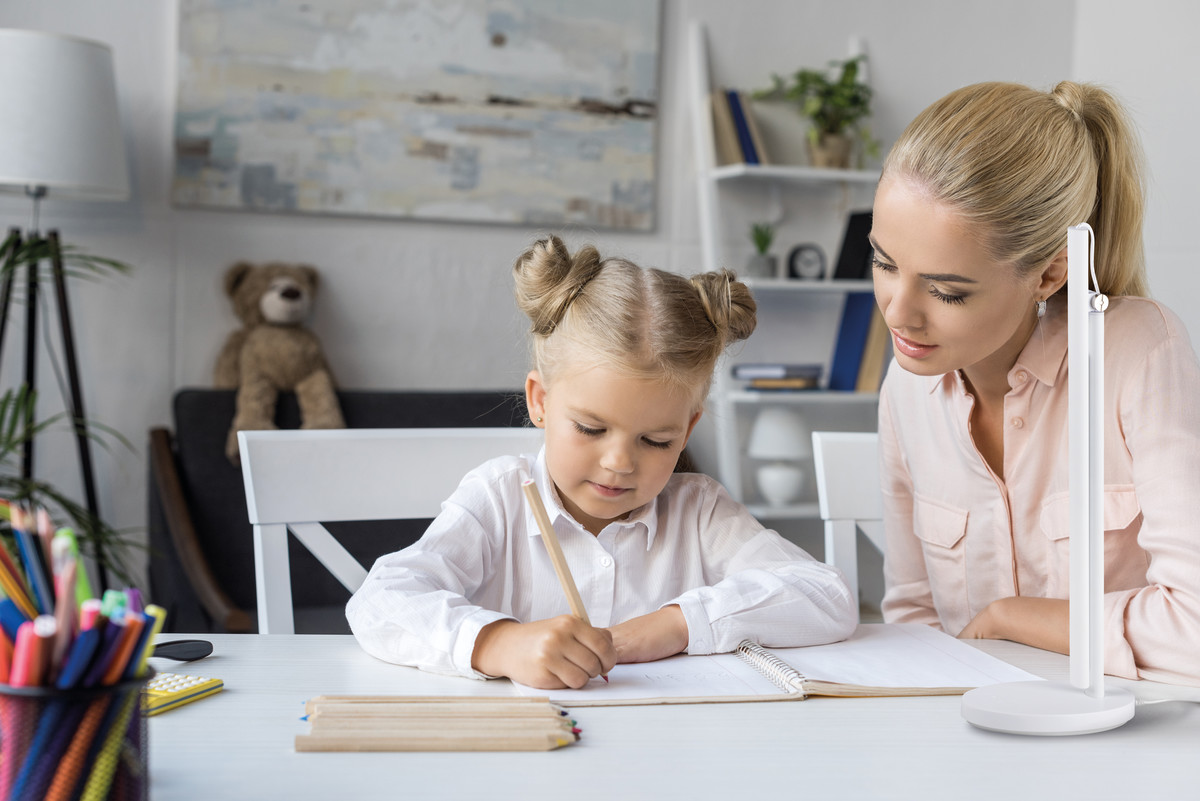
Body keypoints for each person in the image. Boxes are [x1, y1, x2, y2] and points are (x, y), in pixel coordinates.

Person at [347, 236, 856, 689]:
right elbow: (379, 602)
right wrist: (498, 645)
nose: (618, 463)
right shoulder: (498, 497)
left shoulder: (699, 511)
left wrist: (676, 625)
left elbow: (826, 596)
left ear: (688, 431)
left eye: (656, 440)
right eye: (591, 429)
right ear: (540, 400)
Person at [872, 81, 1200, 685]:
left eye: (946, 290)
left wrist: (1011, 618)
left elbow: (1196, 629)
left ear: (1049, 274)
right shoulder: (905, 387)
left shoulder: (1139, 351)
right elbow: (914, 621)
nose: (897, 312)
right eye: (884, 263)